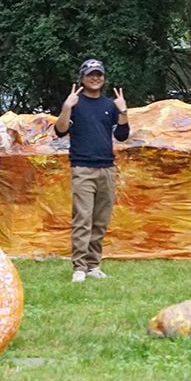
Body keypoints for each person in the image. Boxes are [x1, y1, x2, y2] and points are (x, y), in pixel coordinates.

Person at [54, 58, 129, 282]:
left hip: (107, 168)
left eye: (99, 74)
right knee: (83, 218)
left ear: (103, 78)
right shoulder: (75, 104)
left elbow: (122, 135)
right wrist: (66, 107)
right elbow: (60, 130)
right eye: (90, 74)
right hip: (82, 168)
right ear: (82, 78)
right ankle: (79, 267)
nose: (95, 78)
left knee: (100, 220)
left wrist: (123, 111)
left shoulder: (110, 105)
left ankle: (93, 265)